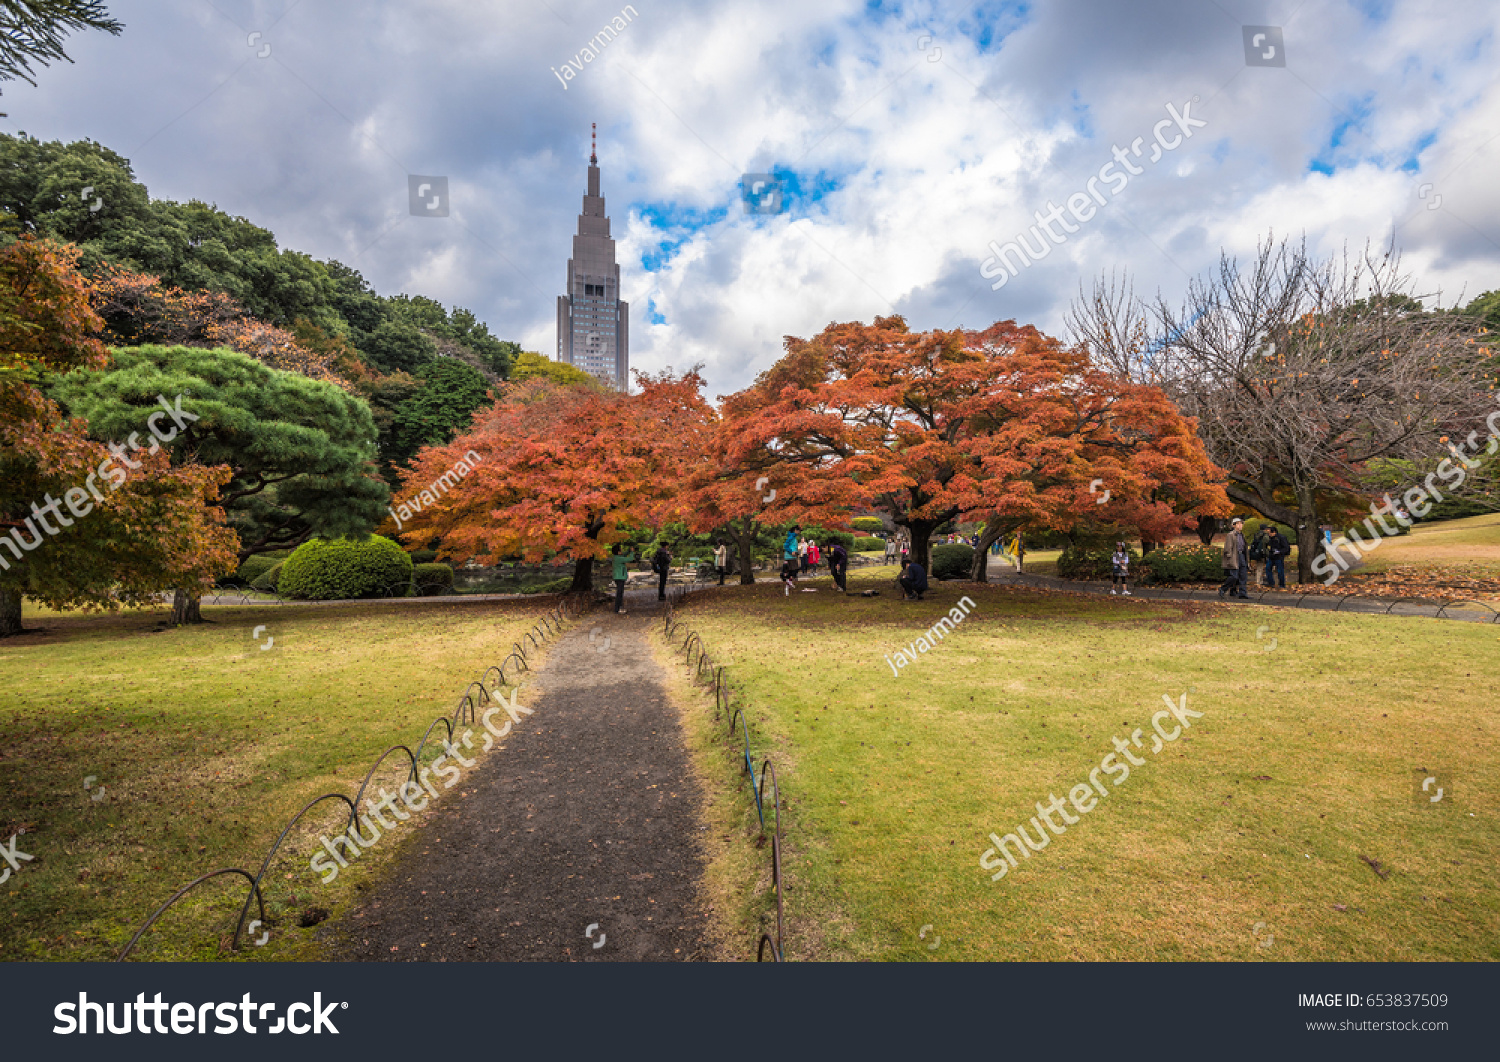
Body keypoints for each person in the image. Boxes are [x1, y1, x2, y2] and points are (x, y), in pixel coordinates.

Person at [1219, 518, 1248, 599]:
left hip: (1242, 556)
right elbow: (1228, 548)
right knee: (1234, 576)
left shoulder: (1242, 535)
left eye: (1241, 523)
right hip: (1234, 557)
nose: (1240, 525)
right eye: (1238, 523)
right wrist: (1229, 558)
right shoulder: (1231, 535)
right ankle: (1223, 588)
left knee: (1243, 576)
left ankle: (1242, 593)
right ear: (1234, 525)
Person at [610, 543, 634, 614]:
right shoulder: (619, 559)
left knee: (620, 593)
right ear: (618, 552)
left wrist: (629, 550)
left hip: (618, 577)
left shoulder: (616, 557)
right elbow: (630, 559)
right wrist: (632, 552)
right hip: (619, 577)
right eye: (621, 550)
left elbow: (624, 555)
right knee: (619, 593)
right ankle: (617, 609)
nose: (622, 551)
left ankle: (619, 608)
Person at [1266, 524, 1290, 588]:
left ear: (1274, 532)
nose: (1269, 534)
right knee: (1268, 568)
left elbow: (1286, 548)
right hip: (1271, 556)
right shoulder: (1270, 538)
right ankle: (1271, 582)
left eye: (1270, 533)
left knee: (1280, 570)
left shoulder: (1281, 538)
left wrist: (1279, 551)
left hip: (1279, 556)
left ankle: (1281, 584)